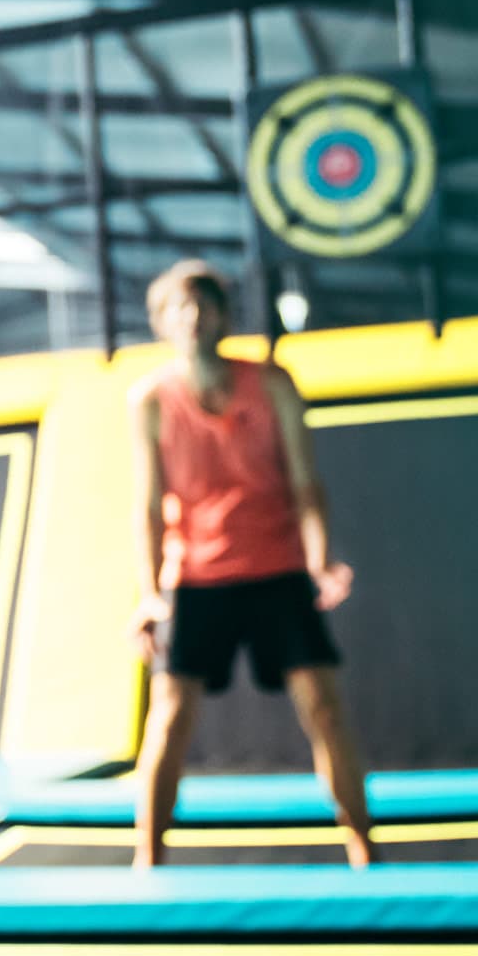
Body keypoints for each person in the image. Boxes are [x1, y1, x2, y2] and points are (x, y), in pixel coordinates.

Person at [129, 261, 375, 869]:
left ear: (222, 316)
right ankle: (145, 859)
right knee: (168, 719)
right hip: (195, 577)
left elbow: (305, 483)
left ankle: (365, 846)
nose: (192, 317)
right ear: (162, 323)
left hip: (278, 569)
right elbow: (148, 504)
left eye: (202, 305)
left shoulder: (271, 384)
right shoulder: (151, 400)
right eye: (178, 308)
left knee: (323, 706)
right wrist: (148, 594)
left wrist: (319, 561)